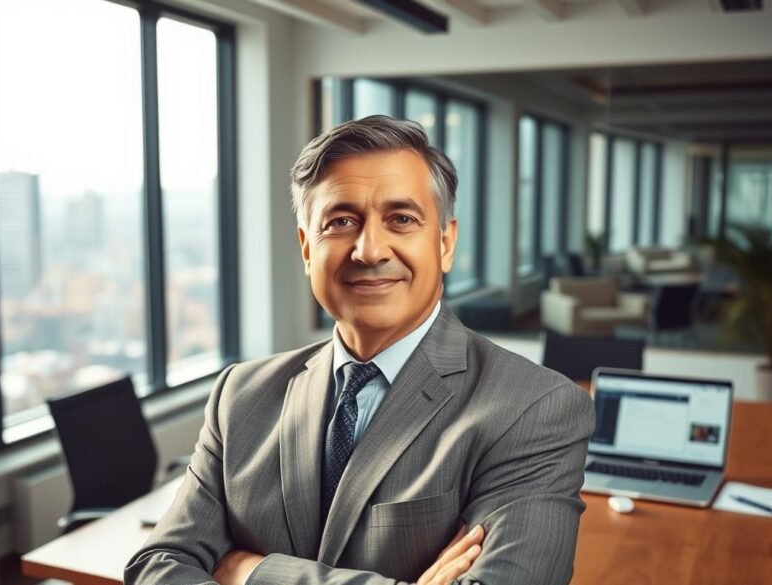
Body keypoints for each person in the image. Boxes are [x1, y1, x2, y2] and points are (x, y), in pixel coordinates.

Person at [125, 115, 594, 584]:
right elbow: (156, 566)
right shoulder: (240, 395)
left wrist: (251, 573)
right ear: (307, 249)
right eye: (341, 222)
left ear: (445, 243)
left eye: (402, 219)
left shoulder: (534, 407)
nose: (369, 251)